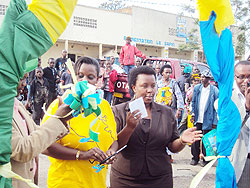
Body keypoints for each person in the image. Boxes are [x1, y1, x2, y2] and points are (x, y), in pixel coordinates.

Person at [110, 66, 202, 188]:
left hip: (159, 178)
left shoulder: (167, 113)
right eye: (144, 86)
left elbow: (172, 147)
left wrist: (181, 140)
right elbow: (114, 146)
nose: (150, 90)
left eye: (153, 86)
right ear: (133, 87)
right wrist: (129, 128)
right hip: (125, 178)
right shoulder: (118, 112)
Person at [42, 56, 118, 188]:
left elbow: (113, 140)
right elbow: (43, 146)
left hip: (96, 183)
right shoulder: (60, 105)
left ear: (98, 80)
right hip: (65, 183)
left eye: (90, 77)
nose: (84, 80)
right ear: (73, 77)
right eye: (80, 75)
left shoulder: (104, 107)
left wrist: (111, 152)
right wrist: (81, 155)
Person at [11, 73, 72, 188]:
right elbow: (22, 150)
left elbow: (36, 134)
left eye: (25, 79)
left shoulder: (16, 104)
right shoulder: (4, 110)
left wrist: (61, 119)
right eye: (21, 79)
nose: (24, 84)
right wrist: (57, 120)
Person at [190, 70, 219, 166]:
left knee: (206, 140)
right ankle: (195, 158)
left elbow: (216, 107)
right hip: (198, 117)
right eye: (201, 77)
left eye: (204, 77)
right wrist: (193, 113)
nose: (202, 79)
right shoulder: (197, 88)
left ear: (209, 79)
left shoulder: (214, 90)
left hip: (208, 118)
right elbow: (193, 102)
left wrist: (215, 121)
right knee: (195, 139)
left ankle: (205, 159)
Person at [229, 61, 250, 187]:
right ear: (234, 77)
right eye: (241, 77)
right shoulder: (227, 100)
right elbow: (231, 130)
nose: (245, 81)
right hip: (241, 161)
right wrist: (247, 108)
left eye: (249, 76)